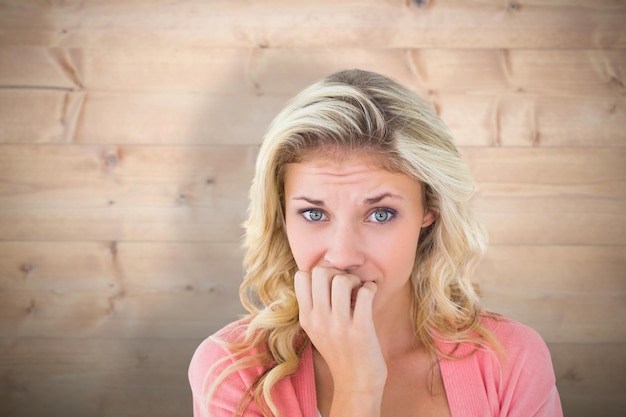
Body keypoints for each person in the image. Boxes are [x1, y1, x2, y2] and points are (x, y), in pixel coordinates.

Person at [188, 69, 563, 417]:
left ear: (428, 209)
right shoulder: (232, 373)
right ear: (282, 216)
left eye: (380, 214)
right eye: (314, 214)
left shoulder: (511, 359)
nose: (343, 256)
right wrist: (358, 388)